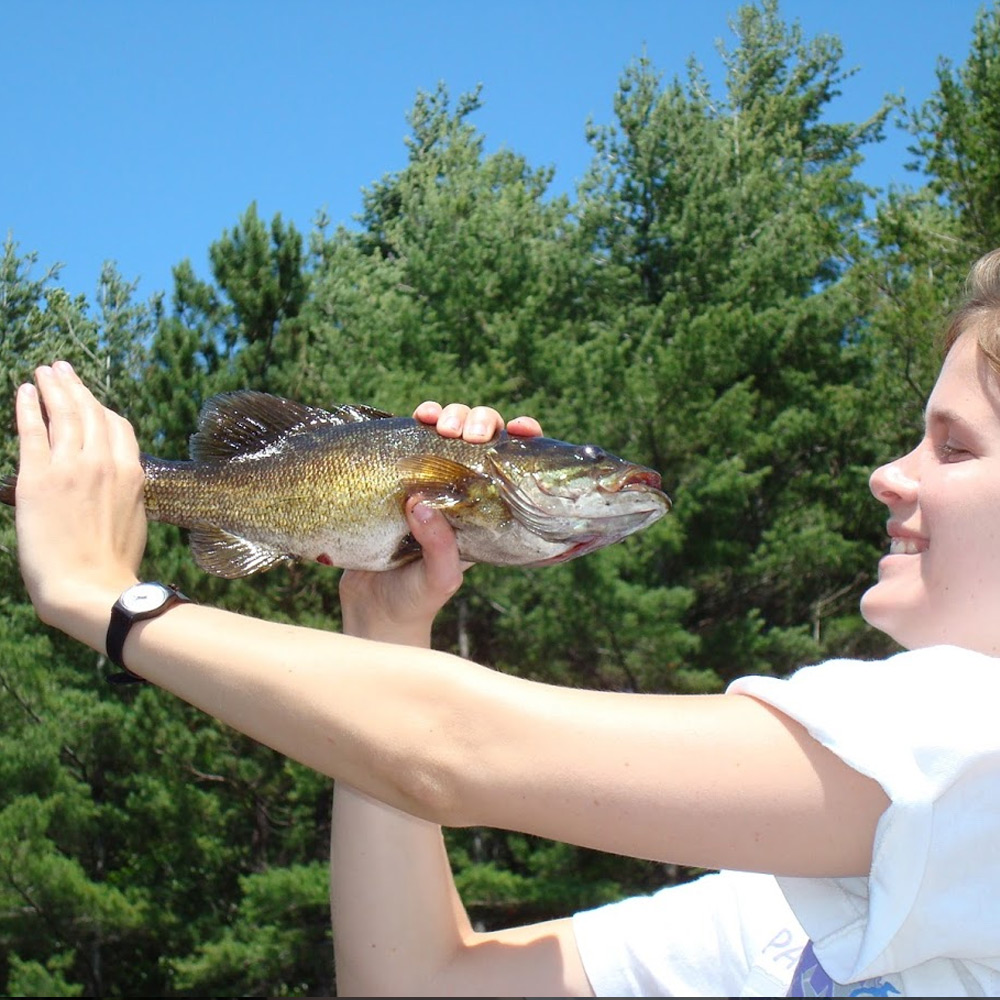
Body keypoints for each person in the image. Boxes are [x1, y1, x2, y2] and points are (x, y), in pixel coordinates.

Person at [12, 248, 1000, 996]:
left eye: (953, 448)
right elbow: (419, 982)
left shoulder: (976, 751)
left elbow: (453, 746)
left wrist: (117, 600)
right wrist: (386, 643)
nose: (889, 472)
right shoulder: (814, 908)